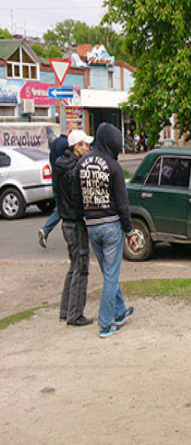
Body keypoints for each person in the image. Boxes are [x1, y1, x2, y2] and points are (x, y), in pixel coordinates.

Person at [78, 123, 137, 338]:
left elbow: (76, 196)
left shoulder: (82, 163)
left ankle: (120, 311)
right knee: (111, 276)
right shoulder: (113, 166)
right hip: (111, 225)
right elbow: (122, 202)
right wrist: (129, 231)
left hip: (92, 226)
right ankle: (105, 324)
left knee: (108, 273)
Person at [56, 129, 94, 326]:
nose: (88, 148)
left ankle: (66, 309)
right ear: (76, 146)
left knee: (73, 266)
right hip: (75, 222)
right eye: (85, 145)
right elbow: (78, 196)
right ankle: (75, 313)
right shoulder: (74, 169)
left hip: (67, 222)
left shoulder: (62, 165)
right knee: (81, 267)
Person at [38, 124, 76, 248]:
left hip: (55, 180)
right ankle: (46, 230)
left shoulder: (54, 143)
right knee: (62, 209)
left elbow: (50, 161)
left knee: (61, 208)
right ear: (70, 132)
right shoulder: (67, 144)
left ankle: (47, 231)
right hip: (64, 183)